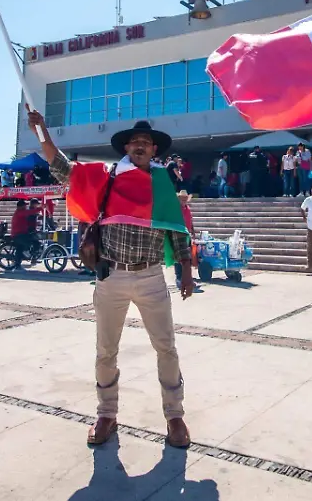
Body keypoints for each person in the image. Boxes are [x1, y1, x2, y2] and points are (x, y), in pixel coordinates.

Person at [27, 108, 194, 449]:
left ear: (154, 150)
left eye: (145, 142)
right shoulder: (108, 177)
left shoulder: (163, 182)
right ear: (126, 148)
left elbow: (176, 231)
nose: (140, 146)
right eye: (134, 142)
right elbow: (60, 166)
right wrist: (42, 130)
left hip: (150, 277)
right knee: (106, 351)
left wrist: (186, 270)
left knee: (166, 349)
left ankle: (175, 417)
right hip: (112, 277)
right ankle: (107, 415)